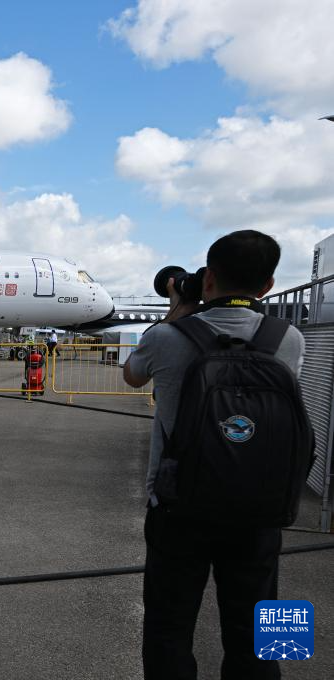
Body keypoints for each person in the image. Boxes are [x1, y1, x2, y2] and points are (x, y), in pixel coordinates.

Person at [123, 230, 305, 680]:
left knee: (168, 626)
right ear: (268, 285)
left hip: (178, 506)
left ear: (207, 279)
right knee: (261, 630)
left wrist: (178, 309)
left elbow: (132, 376)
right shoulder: (290, 338)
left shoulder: (166, 337)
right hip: (261, 508)